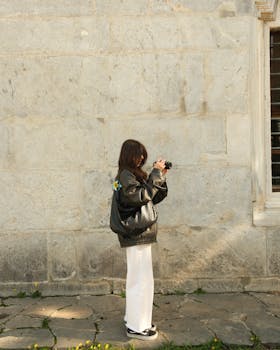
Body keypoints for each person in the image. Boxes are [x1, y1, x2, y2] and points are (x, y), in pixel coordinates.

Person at [114, 139, 168, 341]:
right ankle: (137, 327)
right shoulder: (125, 176)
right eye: (139, 154)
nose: (143, 158)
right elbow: (139, 197)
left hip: (140, 234)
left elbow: (152, 197)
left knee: (142, 279)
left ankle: (137, 320)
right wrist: (155, 174)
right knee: (140, 280)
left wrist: (160, 177)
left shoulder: (131, 175)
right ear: (129, 155)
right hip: (136, 234)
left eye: (144, 155)